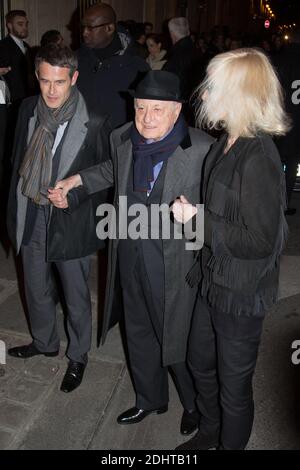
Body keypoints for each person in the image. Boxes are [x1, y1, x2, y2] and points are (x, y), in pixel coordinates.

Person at [48, 71, 213, 434]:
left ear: (176, 111)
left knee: (178, 337)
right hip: (129, 252)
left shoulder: (201, 149)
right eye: (141, 107)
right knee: (138, 331)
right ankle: (149, 398)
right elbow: (113, 170)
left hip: (176, 261)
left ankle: (195, 405)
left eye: (157, 109)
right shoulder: (122, 137)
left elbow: (218, 209)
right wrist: (77, 180)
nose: (147, 117)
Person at [172, 48, 290, 450]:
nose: (203, 94)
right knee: (199, 362)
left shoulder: (258, 157)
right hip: (212, 279)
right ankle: (209, 432)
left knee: (233, 389)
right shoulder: (228, 141)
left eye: (213, 86)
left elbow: (260, 241)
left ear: (237, 94)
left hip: (240, 294)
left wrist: (197, 221)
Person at [6, 45, 111, 393]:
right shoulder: (26, 109)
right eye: (45, 81)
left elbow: (110, 169)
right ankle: (44, 342)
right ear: (36, 77)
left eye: (60, 82)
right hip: (32, 210)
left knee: (75, 294)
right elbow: (16, 160)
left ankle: (78, 356)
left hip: (72, 218)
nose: (51, 91)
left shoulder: (94, 117)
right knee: (35, 286)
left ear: (74, 78)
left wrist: (75, 191)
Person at [77, 3, 149, 129]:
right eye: (83, 27)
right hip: (81, 141)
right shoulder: (74, 61)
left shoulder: (137, 67)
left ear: (109, 28)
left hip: (118, 143)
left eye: (90, 28)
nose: (84, 33)